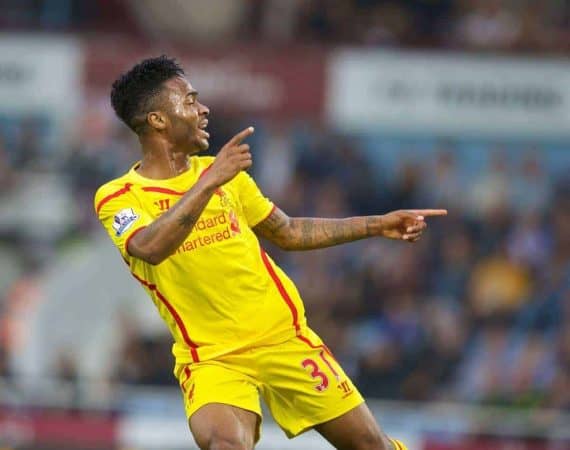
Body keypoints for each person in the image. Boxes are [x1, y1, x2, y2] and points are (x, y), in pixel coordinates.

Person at [94, 56, 447, 450]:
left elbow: (289, 231)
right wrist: (208, 184)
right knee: (224, 443)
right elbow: (148, 248)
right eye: (190, 101)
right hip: (211, 357)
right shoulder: (119, 197)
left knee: (370, 446)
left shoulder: (226, 178)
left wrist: (378, 224)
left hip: (282, 338)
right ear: (158, 120)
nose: (203, 109)